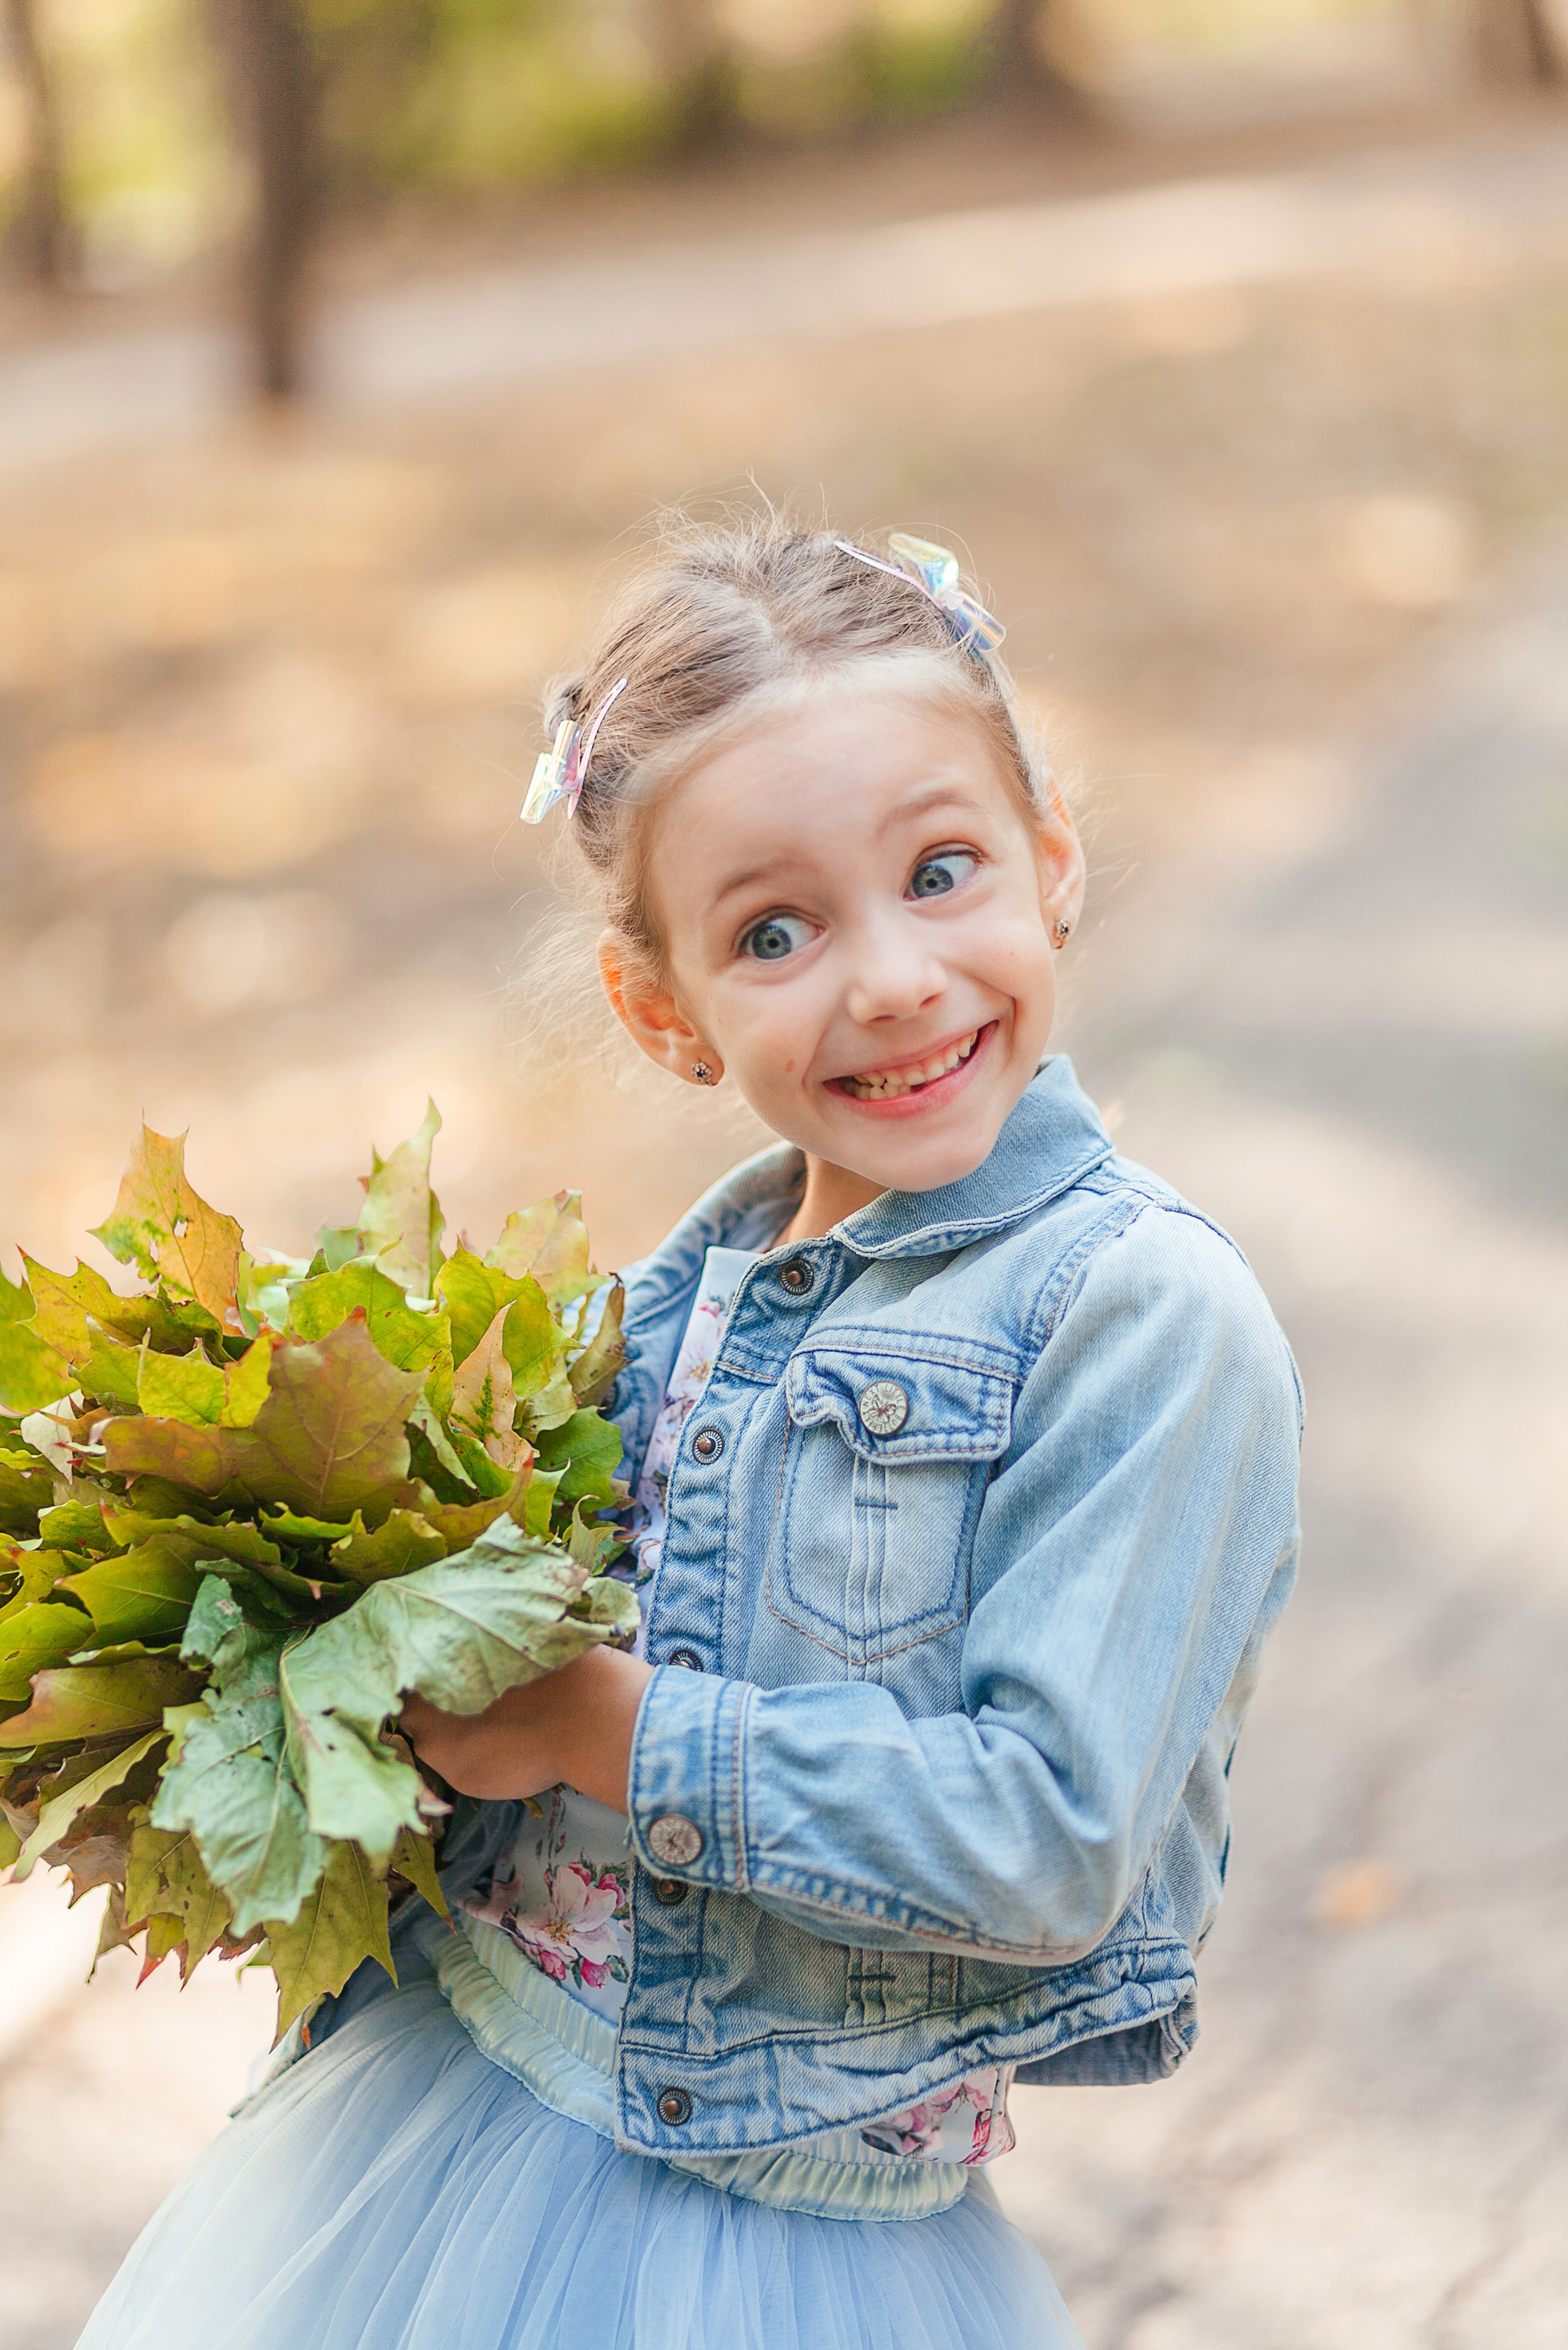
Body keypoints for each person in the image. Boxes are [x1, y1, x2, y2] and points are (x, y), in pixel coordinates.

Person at [77, 520, 1302, 2350]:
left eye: (942, 869)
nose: (888, 977)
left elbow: (1050, 1839)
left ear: (1052, 864)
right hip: (455, 2110)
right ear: (663, 1011)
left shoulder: (1143, 1322)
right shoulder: (657, 1309)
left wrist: (606, 1729)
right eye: (777, 930)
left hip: (786, 2228)